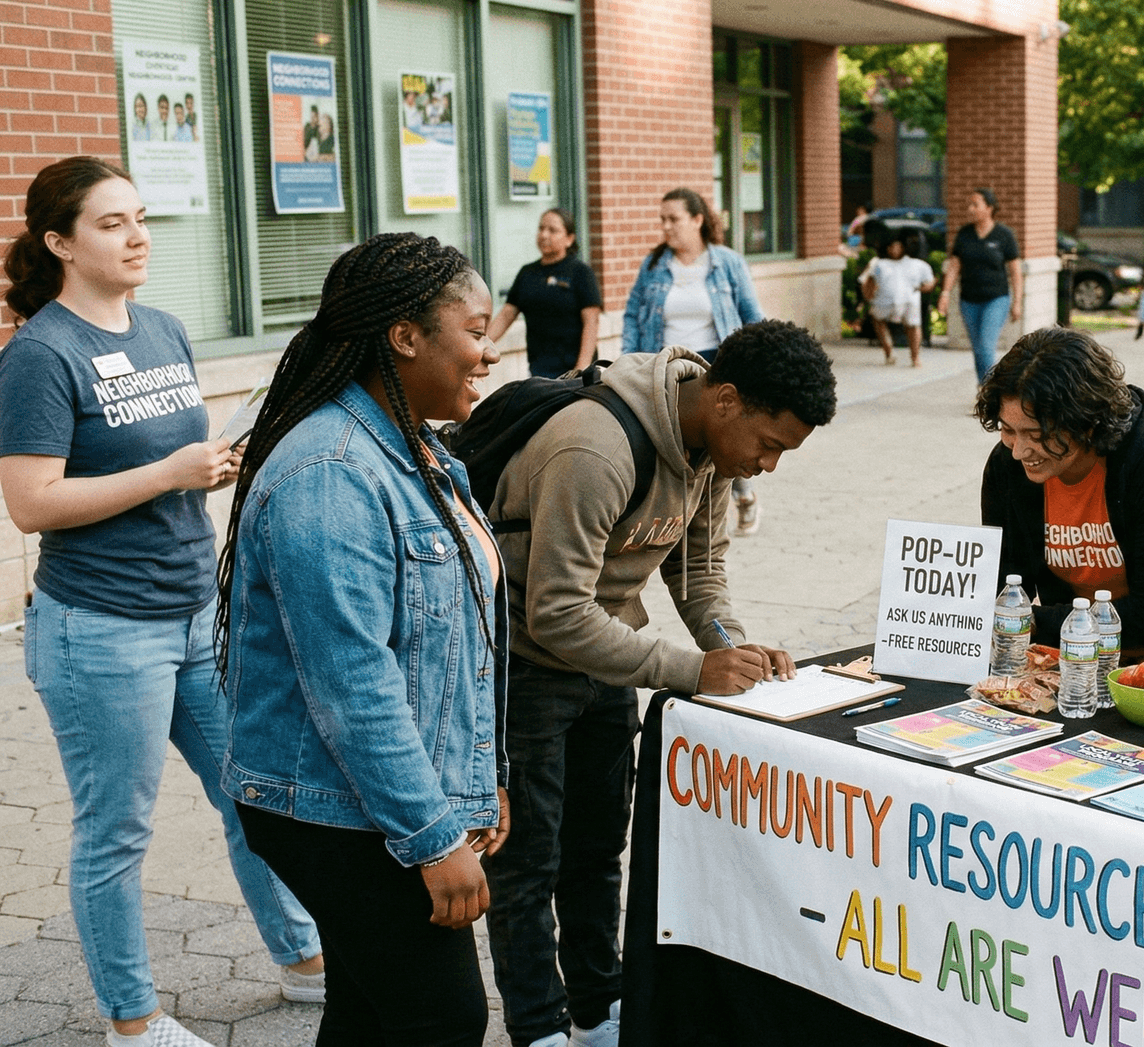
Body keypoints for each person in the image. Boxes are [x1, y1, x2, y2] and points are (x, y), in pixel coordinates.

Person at [0, 157, 324, 1047]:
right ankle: (132, 1019)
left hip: (195, 613)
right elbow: (31, 504)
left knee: (252, 796)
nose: (139, 236)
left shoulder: (167, 329)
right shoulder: (39, 354)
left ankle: (303, 960)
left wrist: (218, 464)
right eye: (112, 224)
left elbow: (177, 467)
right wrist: (167, 474)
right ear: (60, 243)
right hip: (101, 630)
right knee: (117, 830)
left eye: (141, 218)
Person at [483, 319, 835, 1047]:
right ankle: (537, 1025)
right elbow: (555, 613)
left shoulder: (709, 450)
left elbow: (698, 572)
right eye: (770, 445)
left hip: (606, 660)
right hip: (525, 668)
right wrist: (689, 668)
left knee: (598, 846)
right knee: (528, 861)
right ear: (728, 399)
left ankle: (595, 1006)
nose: (768, 466)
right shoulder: (596, 446)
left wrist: (730, 647)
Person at [218, 232, 505, 1044]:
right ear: (405, 337)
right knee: (441, 1015)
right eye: (476, 331)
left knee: (368, 1009)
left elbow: (464, 643)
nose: (489, 353)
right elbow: (353, 681)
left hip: (371, 793)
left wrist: (485, 775)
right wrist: (433, 836)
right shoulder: (332, 470)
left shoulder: (416, 448)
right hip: (332, 806)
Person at [978, 328, 1144, 696]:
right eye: (1009, 431)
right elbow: (1005, 583)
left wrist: (1023, 622)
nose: (1019, 450)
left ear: (1087, 422)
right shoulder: (1008, 468)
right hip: (1078, 662)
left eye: (1037, 433)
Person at [620, 187, 767, 534]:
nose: (666, 227)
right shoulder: (655, 265)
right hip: (666, 367)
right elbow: (631, 314)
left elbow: (751, 315)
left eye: (674, 219)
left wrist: (760, 364)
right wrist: (627, 360)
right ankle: (682, 515)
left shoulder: (727, 263)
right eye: (663, 220)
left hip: (717, 366)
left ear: (698, 219)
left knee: (721, 441)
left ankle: (742, 495)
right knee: (672, 442)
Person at [489, 208, 604, 378]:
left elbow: (591, 322)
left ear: (569, 239)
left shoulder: (580, 272)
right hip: (540, 372)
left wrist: (581, 369)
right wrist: (482, 345)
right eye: (541, 228)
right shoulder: (527, 273)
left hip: (575, 372)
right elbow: (506, 315)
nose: (544, 235)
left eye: (553, 230)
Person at [939, 187, 1022, 383]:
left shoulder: (1004, 235)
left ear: (989, 208)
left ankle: (990, 392)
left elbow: (1015, 272)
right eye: (969, 204)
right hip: (969, 300)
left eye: (975, 204)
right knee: (978, 350)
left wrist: (1017, 302)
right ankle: (983, 389)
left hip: (996, 299)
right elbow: (953, 267)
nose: (970, 209)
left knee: (986, 346)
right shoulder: (965, 234)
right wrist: (945, 293)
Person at [860, 234, 935, 366]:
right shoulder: (879, 264)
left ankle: (915, 358)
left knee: (913, 326)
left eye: (897, 247)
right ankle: (890, 352)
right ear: (887, 249)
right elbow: (868, 281)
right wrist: (868, 296)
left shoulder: (917, 264)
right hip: (885, 302)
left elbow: (930, 282)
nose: (894, 250)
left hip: (907, 301)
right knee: (880, 319)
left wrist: (921, 288)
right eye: (892, 247)